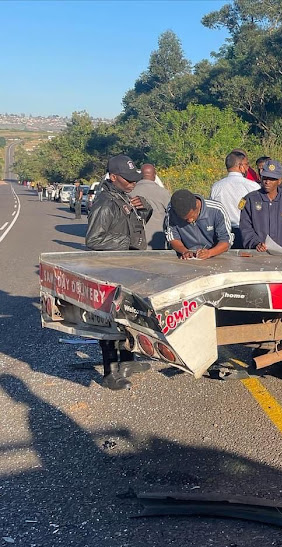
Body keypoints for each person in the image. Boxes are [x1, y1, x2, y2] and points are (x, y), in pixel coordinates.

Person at [86, 155, 153, 390]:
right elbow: (93, 239)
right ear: (113, 177)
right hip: (111, 272)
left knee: (128, 318)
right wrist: (128, 241)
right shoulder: (105, 203)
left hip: (126, 269)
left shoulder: (121, 196)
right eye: (127, 179)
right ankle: (110, 373)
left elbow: (135, 221)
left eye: (134, 178)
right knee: (109, 323)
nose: (132, 182)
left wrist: (146, 208)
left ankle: (127, 362)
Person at [209, 150, 260, 247]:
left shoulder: (216, 187)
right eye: (246, 164)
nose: (247, 167)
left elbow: (212, 211)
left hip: (222, 234)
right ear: (241, 166)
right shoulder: (252, 186)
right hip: (246, 233)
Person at [164, 189, 232, 260]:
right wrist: (185, 251)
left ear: (197, 205)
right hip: (187, 259)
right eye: (185, 219)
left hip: (215, 256)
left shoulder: (217, 210)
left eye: (192, 216)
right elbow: (173, 238)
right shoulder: (171, 212)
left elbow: (226, 241)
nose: (190, 221)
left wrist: (209, 253)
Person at [130, 163, 171, 250]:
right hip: (157, 242)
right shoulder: (163, 192)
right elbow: (171, 215)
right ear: (154, 176)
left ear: (141, 175)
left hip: (136, 242)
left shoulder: (130, 192)